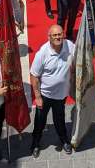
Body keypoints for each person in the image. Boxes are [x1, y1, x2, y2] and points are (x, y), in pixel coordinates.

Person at [29, 24, 74, 158]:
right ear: (49, 37)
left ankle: (64, 140)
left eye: (60, 34)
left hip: (61, 95)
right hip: (45, 95)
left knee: (60, 119)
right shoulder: (42, 53)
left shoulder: (70, 46)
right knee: (40, 121)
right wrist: (37, 97)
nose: (58, 37)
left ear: (63, 34)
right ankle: (35, 143)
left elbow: (80, 56)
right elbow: (34, 76)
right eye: (54, 35)